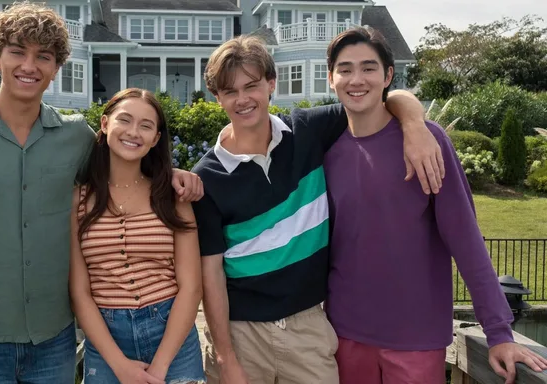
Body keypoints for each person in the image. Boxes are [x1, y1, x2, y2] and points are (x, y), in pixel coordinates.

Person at [0, 3, 202, 383]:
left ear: (56, 68)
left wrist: (173, 175)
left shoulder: (76, 137)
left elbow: (125, 159)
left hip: (54, 340)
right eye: (18, 51)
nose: (29, 66)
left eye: (43, 56)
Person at [190, 34, 444, 384]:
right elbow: (212, 275)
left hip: (308, 328)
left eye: (251, 86)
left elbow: (379, 98)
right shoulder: (207, 178)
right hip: (241, 333)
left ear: (271, 84)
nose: (243, 99)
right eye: (229, 91)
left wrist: (414, 123)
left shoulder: (306, 131)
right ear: (217, 98)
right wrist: (225, 356)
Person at [322, 26, 547, 384]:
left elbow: (465, 238)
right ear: (331, 76)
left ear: (388, 75)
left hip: (416, 336)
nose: (356, 79)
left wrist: (499, 332)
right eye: (345, 69)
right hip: (343, 334)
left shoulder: (427, 142)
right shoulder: (325, 147)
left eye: (368, 67)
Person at [69, 88, 205, 384]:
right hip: (106, 342)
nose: (134, 132)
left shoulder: (173, 196)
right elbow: (80, 291)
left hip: (172, 335)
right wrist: (120, 366)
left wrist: (159, 369)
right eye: (125, 120)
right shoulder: (79, 200)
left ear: (156, 138)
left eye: (146, 126)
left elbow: (191, 286)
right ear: (105, 125)